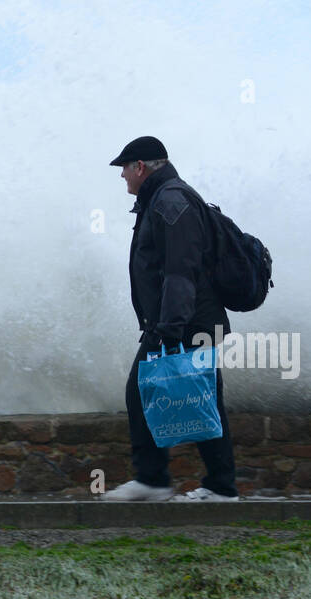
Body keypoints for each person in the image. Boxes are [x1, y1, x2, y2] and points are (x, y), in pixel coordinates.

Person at [102, 136, 239, 502]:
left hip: (185, 322)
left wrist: (169, 330)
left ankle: (158, 480)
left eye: (124, 169)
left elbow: (181, 271)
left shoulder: (171, 201)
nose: (122, 177)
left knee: (144, 390)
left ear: (141, 167)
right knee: (199, 396)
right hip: (185, 320)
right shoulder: (159, 199)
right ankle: (211, 484)